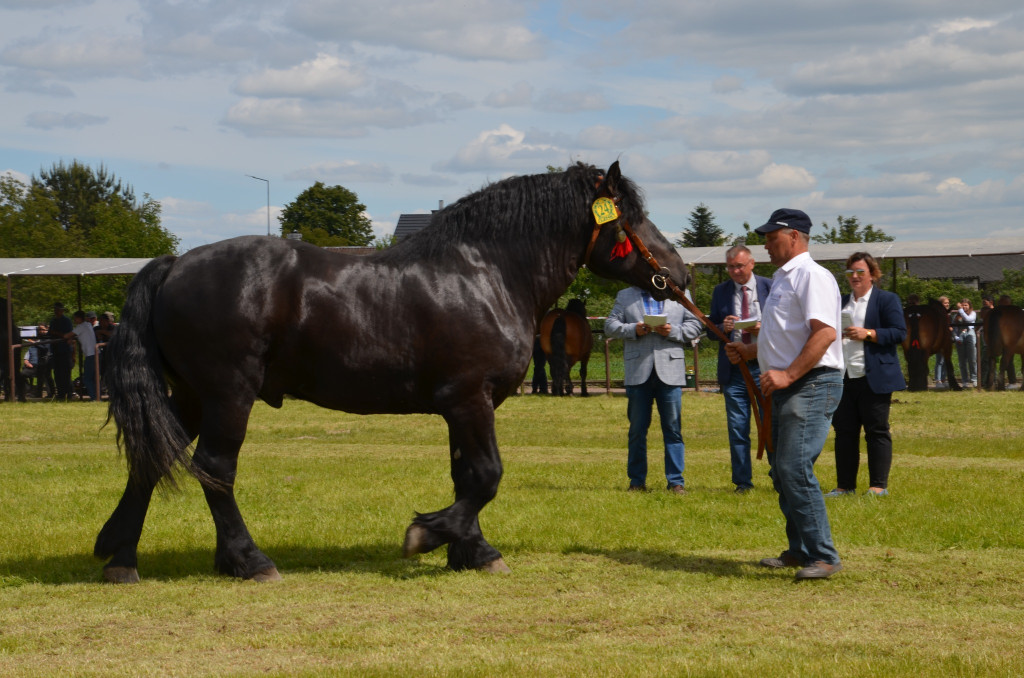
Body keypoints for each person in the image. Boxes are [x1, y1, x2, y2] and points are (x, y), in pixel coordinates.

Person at [725, 208, 845, 580]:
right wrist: (751, 352)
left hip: (811, 383)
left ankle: (824, 557)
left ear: (793, 236)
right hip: (786, 385)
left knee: (793, 467)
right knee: (781, 470)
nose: (766, 245)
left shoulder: (812, 276)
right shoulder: (783, 278)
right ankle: (801, 550)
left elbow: (825, 334)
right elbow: (786, 335)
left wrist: (788, 374)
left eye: (771, 237)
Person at [605, 285, 702, 494]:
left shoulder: (679, 293)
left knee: (673, 430)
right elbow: (610, 325)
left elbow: (695, 325)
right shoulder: (625, 294)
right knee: (637, 431)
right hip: (638, 371)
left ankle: (676, 483)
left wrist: (672, 331)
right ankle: (636, 482)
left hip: (670, 370)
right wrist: (633, 329)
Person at [825, 252, 906, 498]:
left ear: (872, 274)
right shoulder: (840, 302)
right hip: (843, 375)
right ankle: (845, 486)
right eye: (850, 272)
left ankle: (878, 486)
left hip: (874, 376)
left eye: (860, 271)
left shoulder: (886, 299)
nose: (855, 276)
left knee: (876, 431)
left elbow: (899, 332)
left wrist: (868, 333)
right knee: (844, 432)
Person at [709, 244, 772, 493]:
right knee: (737, 427)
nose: (735, 271)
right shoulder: (720, 291)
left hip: (765, 366)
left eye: (740, 266)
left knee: (770, 424)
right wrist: (722, 327)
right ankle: (742, 482)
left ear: (752, 264)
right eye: (731, 267)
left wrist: (762, 327)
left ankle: (779, 475)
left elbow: (786, 324)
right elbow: (710, 331)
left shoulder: (770, 287)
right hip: (735, 368)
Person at [64, 310, 98, 401]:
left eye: (75, 318)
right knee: (94, 378)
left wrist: (59, 334)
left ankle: (94, 398)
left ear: (79, 318)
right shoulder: (88, 325)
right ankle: (97, 396)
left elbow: (66, 336)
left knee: (87, 379)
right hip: (96, 353)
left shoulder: (80, 327)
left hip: (90, 355)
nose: (74, 320)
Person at [48, 302, 74, 401]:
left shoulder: (67, 321)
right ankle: (61, 393)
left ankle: (69, 393)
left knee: (66, 373)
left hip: (65, 350)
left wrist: (56, 333)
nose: (56, 311)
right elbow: (50, 333)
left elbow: (68, 334)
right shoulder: (53, 321)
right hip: (55, 351)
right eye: (55, 309)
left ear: (62, 311)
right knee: (57, 373)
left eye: (58, 309)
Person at [953, 298, 977, 387]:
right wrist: (956, 337)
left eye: (966, 305)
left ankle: (974, 379)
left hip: (970, 334)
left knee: (972, 359)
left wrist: (960, 310)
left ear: (969, 306)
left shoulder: (973, 313)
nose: (964, 307)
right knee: (962, 360)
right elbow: (954, 328)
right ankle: (964, 381)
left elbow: (968, 319)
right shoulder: (956, 316)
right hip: (960, 335)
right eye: (962, 305)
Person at [934, 295, 951, 387]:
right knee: (940, 360)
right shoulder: (938, 314)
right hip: (940, 339)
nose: (947, 304)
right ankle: (938, 380)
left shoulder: (948, 314)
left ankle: (943, 379)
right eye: (945, 303)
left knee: (945, 360)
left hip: (947, 338)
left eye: (948, 303)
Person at [979, 295, 994, 389]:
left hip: (989, 345)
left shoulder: (992, 320)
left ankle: (986, 382)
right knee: (985, 363)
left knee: (988, 363)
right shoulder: (983, 320)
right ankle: (987, 382)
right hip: (985, 345)